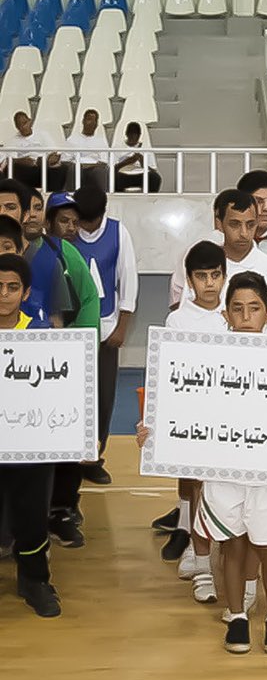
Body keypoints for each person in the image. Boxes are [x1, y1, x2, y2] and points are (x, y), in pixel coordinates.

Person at [145, 273, 267, 654]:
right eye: (237, 309)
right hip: (224, 468)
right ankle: (237, 616)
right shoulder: (208, 356)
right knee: (232, 544)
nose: (246, 317)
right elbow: (184, 407)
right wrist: (155, 434)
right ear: (226, 315)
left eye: (254, 308)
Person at [159, 240, 230, 594]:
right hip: (194, 414)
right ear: (189, 280)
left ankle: (226, 549)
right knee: (195, 482)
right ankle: (194, 544)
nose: (209, 283)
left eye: (215, 275)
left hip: (229, 414)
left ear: (225, 276)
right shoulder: (178, 320)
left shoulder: (235, 314)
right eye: (201, 276)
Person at [0, 252, 62, 617]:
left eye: (12, 287)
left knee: (32, 515)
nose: (4, 294)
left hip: (31, 447)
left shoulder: (41, 335)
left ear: (25, 293)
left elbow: (61, 391)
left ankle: (35, 579)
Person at [38, 192, 101, 548]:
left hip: (59, 362)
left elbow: (88, 298)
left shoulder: (63, 253)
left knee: (63, 433)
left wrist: (81, 350)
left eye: (35, 208)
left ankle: (61, 509)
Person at [70, 185, 138, 486]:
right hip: (72, 332)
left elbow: (128, 279)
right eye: (81, 220)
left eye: (91, 221)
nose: (85, 227)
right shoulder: (66, 231)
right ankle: (68, 458)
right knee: (73, 396)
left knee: (103, 398)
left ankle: (95, 457)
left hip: (107, 330)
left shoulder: (118, 232)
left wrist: (122, 326)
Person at [168, 189, 267, 311]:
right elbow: (183, 312)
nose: (243, 233)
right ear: (220, 224)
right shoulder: (199, 264)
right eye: (235, 224)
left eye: (250, 225)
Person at [0, 180, 73, 328]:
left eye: (10, 207)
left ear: (26, 214)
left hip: (34, 340)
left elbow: (56, 318)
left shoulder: (49, 261)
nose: (2, 213)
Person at [5, 112, 67, 190]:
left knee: (61, 168)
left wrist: (46, 161)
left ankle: (52, 194)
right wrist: (24, 160)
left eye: (25, 123)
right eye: (19, 125)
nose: (23, 127)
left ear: (30, 121)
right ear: (17, 127)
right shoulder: (13, 141)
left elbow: (54, 152)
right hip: (26, 168)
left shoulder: (43, 135)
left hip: (44, 164)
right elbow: (11, 160)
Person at [64, 108, 110, 190]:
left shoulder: (101, 141)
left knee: (101, 171)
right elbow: (65, 161)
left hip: (95, 168)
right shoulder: (72, 139)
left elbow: (104, 162)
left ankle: (103, 196)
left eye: (94, 121)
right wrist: (80, 165)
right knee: (72, 170)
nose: (92, 123)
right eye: (89, 119)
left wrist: (89, 166)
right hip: (77, 166)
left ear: (97, 124)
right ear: (83, 121)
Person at [113, 121, 161, 192]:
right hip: (123, 174)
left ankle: (151, 198)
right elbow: (112, 168)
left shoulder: (145, 148)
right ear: (126, 134)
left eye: (136, 134)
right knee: (113, 178)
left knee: (155, 178)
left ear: (139, 135)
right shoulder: (118, 147)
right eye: (131, 133)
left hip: (141, 174)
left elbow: (153, 170)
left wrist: (143, 162)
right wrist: (126, 162)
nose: (133, 136)